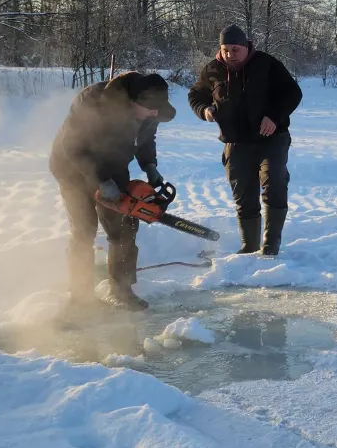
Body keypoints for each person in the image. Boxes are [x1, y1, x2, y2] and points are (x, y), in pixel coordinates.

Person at [49, 71, 176, 312]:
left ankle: (122, 290)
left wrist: (149, 165)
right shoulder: (92, 102)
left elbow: (146, 138)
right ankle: (81, 296)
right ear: (133, 101)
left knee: (124, 226)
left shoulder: (151, 109)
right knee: (84, 229)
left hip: (115, 164)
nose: (154, 115)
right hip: (72, 168)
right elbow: (74, 146)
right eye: (150, 110)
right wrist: (101, 180)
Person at [188, 24, 303, 255]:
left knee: (274, 183)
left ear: (246, 46)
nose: (230, 54)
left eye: (235, 49)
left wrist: (274, 116)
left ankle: (271, 245)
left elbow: (292, 93)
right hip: (235, 141)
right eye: (225, 49)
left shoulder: (266, 64)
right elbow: (195, 95)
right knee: (243, 192)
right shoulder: (212, 70)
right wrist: (204, 110)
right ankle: (249, 246)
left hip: (271, 138)